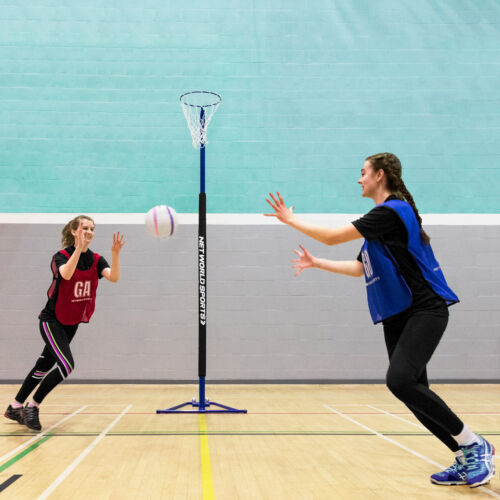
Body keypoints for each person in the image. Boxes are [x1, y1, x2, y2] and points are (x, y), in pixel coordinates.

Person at [264, 152, 495, 488]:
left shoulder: (391, 212)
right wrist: (317, 263)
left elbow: (331, 235)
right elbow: (360, 268)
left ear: (380, 175)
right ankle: (463, 455)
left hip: (424, 308)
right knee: (413, 391)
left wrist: (289, 220)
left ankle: (475, 444)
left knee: (399, 381)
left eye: (363, 173)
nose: (359, 179)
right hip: (399, 315)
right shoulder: (379, 227)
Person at [4, 215, 125, 431]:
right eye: (85, 228)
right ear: (73, 231)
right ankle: (33, 405)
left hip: (71, 322)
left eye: (92, 229)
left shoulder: (97, 260)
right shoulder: (60, 256)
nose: (89, 232)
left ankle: (15, 406)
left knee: (43, 367)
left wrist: (115, 255)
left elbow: (114, 277)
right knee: (67, 365)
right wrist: (78, 249)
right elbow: (67, 275)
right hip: (52, 320)